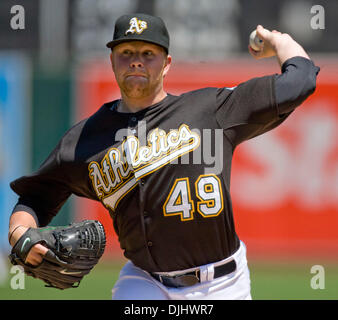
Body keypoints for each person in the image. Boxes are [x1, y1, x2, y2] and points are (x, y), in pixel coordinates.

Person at [8, 13, 319, 299]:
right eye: (126, 53)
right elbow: (36, 197)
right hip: (145, 282)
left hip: (222, 284)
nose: (136, 62)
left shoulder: (211, 109)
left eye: (148, 54)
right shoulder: (85, 139)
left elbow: (299, 82)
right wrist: (21, 236)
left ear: (167, 63)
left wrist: (283, 42)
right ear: (113, 60)